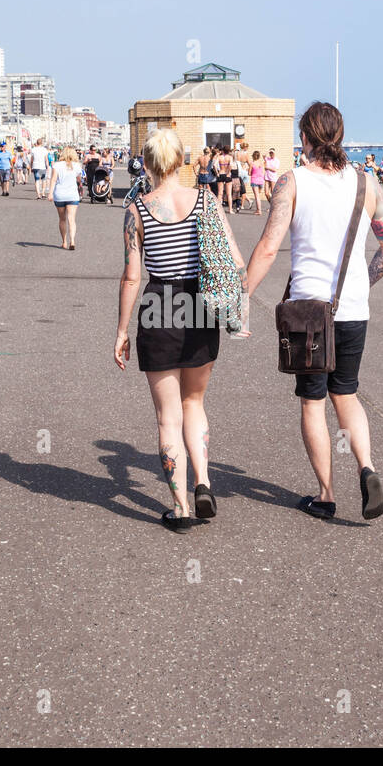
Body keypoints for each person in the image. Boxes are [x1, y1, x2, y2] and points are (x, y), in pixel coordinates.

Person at [243, 102, 383, 522]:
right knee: (346, 392)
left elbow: (270, 247)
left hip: (307, 315)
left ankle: (327, 494)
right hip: (353, 311)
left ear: (306, 139)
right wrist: (361, 285)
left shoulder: (291, 182)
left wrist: (241, 296)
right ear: (342, 137)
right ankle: (367, 468)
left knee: (313, 402)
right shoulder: (369, 186)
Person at [114, 128, 248, 528]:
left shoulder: (136, 209)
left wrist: (122, 331)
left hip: (158, 307)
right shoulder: (206, 201)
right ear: (180, 160)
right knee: (195, 404)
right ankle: (203, 482)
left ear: (149, 164)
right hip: (200, 307)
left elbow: (131, 277)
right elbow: (234, 262)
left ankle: (181, 507)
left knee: (167, 416)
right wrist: (238, 313)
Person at [47, 146, 82, 249]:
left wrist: (50, 193)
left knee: (62, 219)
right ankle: (72, 241)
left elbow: (53, 180)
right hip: (72, 195)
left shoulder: (57, 165)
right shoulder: (77, 165)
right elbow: (79, 180)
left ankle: (64, 242)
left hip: (59, 194)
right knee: (71, 219)